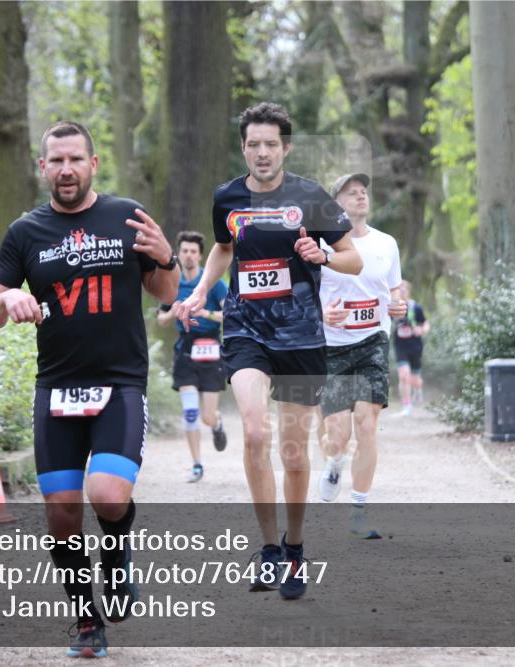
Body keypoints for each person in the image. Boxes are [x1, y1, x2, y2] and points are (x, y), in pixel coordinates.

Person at [0, 120, 179, 658]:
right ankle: (87, 621)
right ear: (42, 168)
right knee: (61, 513)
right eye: (56, 161)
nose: (66, 170)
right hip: (58, 388)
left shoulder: (126, 215)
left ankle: (116, 559)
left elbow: (166, 291)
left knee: (108, 497)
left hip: (119, 383)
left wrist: (165, 256)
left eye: (76, 159)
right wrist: (7, 302)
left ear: (93, 164)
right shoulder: (25, 232)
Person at [176, 102, 361, 600]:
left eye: (271, 145)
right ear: (243, 147)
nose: (262, 152)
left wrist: (322, 255)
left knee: (294, 451)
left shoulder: (310, 197)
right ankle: (269, 550)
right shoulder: (227, 197)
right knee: (256, 430)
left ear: (286, 148)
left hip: (301, 338)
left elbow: (353, 257)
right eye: (253, 144)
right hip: (245, 331)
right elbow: (223, 247)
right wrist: (197, 293)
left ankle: (295, 548)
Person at [315, 173, 406, 539]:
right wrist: (322, 314)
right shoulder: (319, 246)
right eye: (351, 192)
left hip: (372, 341)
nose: (361, 196)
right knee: (337, 435)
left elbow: (395, 286)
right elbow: (302, 293)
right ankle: (335, 461)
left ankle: (358, 510)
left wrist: (399, 303)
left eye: (364, 191)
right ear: (336, 204)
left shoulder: (387, 242)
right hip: (331, 346)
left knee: (367, 424)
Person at [156, 230, 229, 483]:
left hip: (210, 349)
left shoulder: (213, 283)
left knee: (207, 416)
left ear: (200, 256)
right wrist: (174, 312)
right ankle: (197, 464)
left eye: (193, 251)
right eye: (184, 251)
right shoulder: (172, 282)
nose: (188, 255)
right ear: (179, 253)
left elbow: (231, 315)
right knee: (189, 412)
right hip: (185, 349)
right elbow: (161, 319)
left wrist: (205, 313)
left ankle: (216, 423)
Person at [392, 280, 430, 416]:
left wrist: (422, 330)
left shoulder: (415, 307)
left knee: (415, 379)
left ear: (408, 291)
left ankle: (417, 390)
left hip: (415, 346)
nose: (402, 291)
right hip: (400, 346)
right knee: (403, 375)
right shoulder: (393, 307)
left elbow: (426, 323)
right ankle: (406, 406)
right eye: (399, 289)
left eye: (404, 289)